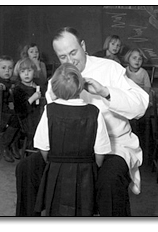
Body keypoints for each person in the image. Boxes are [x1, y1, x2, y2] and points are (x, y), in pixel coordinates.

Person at [16, 27, 148, 216]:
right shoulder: (58, 79)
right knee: (27, 169)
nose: (69, 61)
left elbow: (141, 106)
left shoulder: (110, 68)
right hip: (67, 150)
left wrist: (105, 92)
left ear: (83, 46)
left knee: (109, 180)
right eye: (62, 57)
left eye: (73, 53)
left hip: (112, 145)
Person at [33, 63, 111, 216]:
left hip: (56, 170)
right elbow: (100, 152)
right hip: (86, 173)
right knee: (84, 211)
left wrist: (54, 162)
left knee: (56, 211)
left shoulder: (49, 111)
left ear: (54, 88)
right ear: (81, 87)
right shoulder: (94, 112)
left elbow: (43, 147)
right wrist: (93, 169)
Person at [12, 57, 44, 148]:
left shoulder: (38, 86)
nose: (26, 74)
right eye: (22, 71)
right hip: (27, 120)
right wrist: (33, 98)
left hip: (38, 116)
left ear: (34, 72)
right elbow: (20, 110)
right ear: (18, 74)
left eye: (29, 70)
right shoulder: (18, 89)